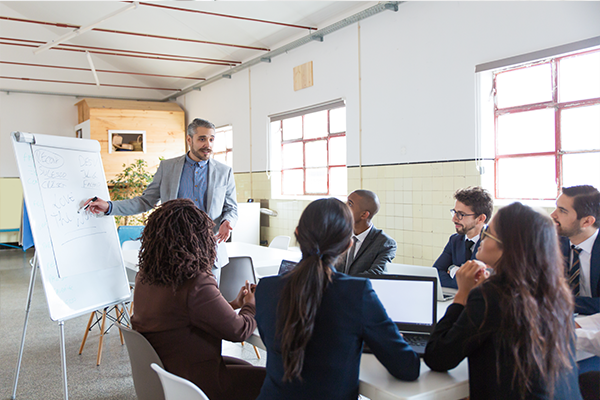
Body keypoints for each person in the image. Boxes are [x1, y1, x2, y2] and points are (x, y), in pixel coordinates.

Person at [254, 198, 419, 400]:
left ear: (297, 232)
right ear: (348, 244)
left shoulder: (265, 288)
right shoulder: (356, 292)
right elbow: (407, 368)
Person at [424, 202, 581, 400]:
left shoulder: (491, 295)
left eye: (488, 232)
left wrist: (462, 295)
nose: (482, 236)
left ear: (508, 246)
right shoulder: (556, 291)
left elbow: (437, 357)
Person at [131, 199, 265, 400]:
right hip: (194, 384)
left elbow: (189, 314)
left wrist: (235, 305)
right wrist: (251, 306)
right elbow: (239, 330)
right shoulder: (194, 282)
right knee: (270, 380)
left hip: (169, 373)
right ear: (196, 239)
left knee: (245, 366)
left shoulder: (145, 276)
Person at [86, 118, 238, 281]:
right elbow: (144, 201)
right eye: (202, 139)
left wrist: (227, 221)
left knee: (208, 305)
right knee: (175, 305)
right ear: (189, 139)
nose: (207, 145)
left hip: (210, 253)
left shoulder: (225, 172)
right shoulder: (168, 168)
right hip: (174, 252)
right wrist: (109, 206)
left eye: (211, 139)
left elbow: (231, 208)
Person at [550, 185, 600, 316]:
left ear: (587, 221)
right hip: (561, 321)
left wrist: (563, 301)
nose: (553, 215)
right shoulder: (553, 244)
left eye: (562, 211)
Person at [433, 186, 493, 289]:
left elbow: (479, 284)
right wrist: (462, 279)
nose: (454, 219)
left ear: (480, 218)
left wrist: (452, 271)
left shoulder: (493, 243)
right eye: (454, 212)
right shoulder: (455, 240)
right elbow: (436, 273)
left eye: (461, 214)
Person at [341, 190, 396, 276]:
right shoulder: (339, 234)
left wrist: (344, 283)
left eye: (350, 204)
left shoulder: (385, 243)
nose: (344, 207)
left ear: (364, 215)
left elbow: (375, 274)